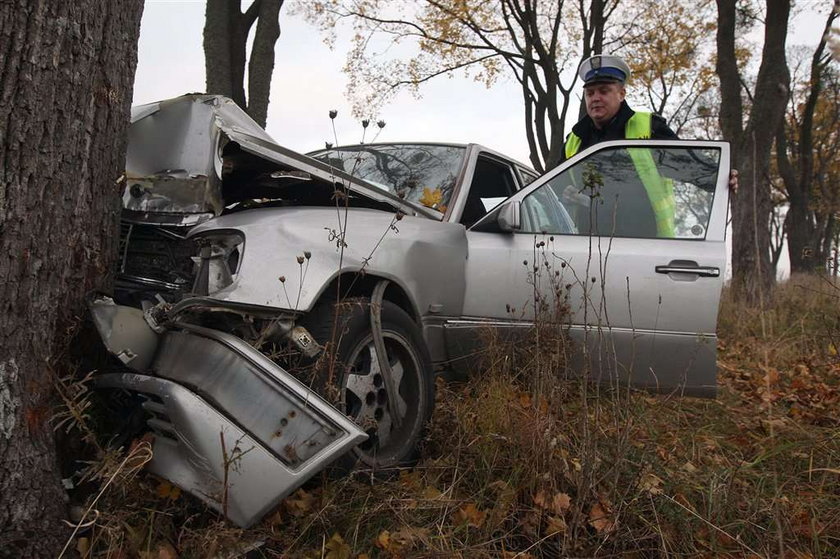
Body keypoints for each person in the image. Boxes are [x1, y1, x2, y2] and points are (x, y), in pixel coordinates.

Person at [562, 54, 737, 238]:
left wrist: (721, 176)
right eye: (590, 93)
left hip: (644, 243)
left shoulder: (649, 127)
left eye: (603, 91)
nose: (595, 98)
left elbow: (686, 164)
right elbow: (554, 185)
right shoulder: (575, 139)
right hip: (586, 245)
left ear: (621, 94)